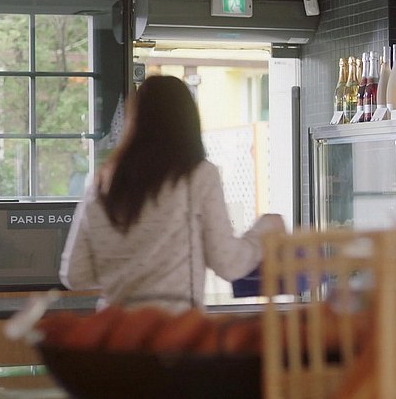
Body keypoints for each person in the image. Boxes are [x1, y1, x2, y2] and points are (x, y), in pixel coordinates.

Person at [59, 75, 285, 313]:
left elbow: (75, 275)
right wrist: (263, 233)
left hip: (115, 329)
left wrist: (126, 274)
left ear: (132, 121)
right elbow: (227, 262)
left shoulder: (100, 183)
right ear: (189, 122)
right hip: (174, 326)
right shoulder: (198, 176)